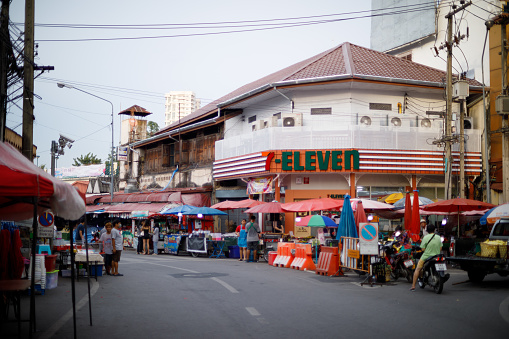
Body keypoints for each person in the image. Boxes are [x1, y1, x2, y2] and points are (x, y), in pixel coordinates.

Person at [411, 224, 442, 291]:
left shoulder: (425, 237)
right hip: (437, 256)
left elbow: (422, 249)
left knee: (417, 269)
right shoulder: (438, 237)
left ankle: (413, 285)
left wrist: (428, 251)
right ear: (434, 230)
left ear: (427, 230)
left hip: (427, 256)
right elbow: (440, 247)